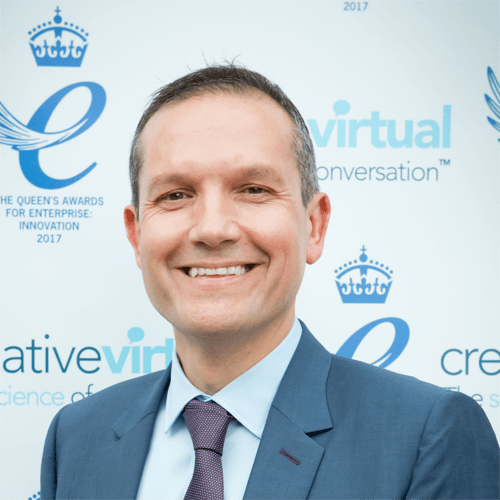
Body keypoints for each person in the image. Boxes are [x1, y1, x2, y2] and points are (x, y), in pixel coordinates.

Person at [41, 64, 499, 500]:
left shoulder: (424, 434)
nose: (213, 229)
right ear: (136, 234)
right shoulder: (77, 437)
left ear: (314, 226)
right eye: (175, 194)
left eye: (253, 190)